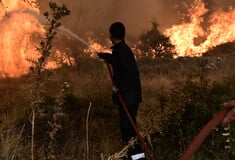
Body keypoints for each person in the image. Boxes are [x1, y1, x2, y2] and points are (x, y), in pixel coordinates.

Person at [98, 22, 144, 159]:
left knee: (128, 131)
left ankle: (137, 157)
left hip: (128, 98)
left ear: (111, 35)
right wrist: (106, 56)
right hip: (130, 97)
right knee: (128, 129)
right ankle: (134, 156)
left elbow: (128, 74)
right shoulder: (121, 49)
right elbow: (118, 61)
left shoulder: (121, 51)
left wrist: (119, 89)